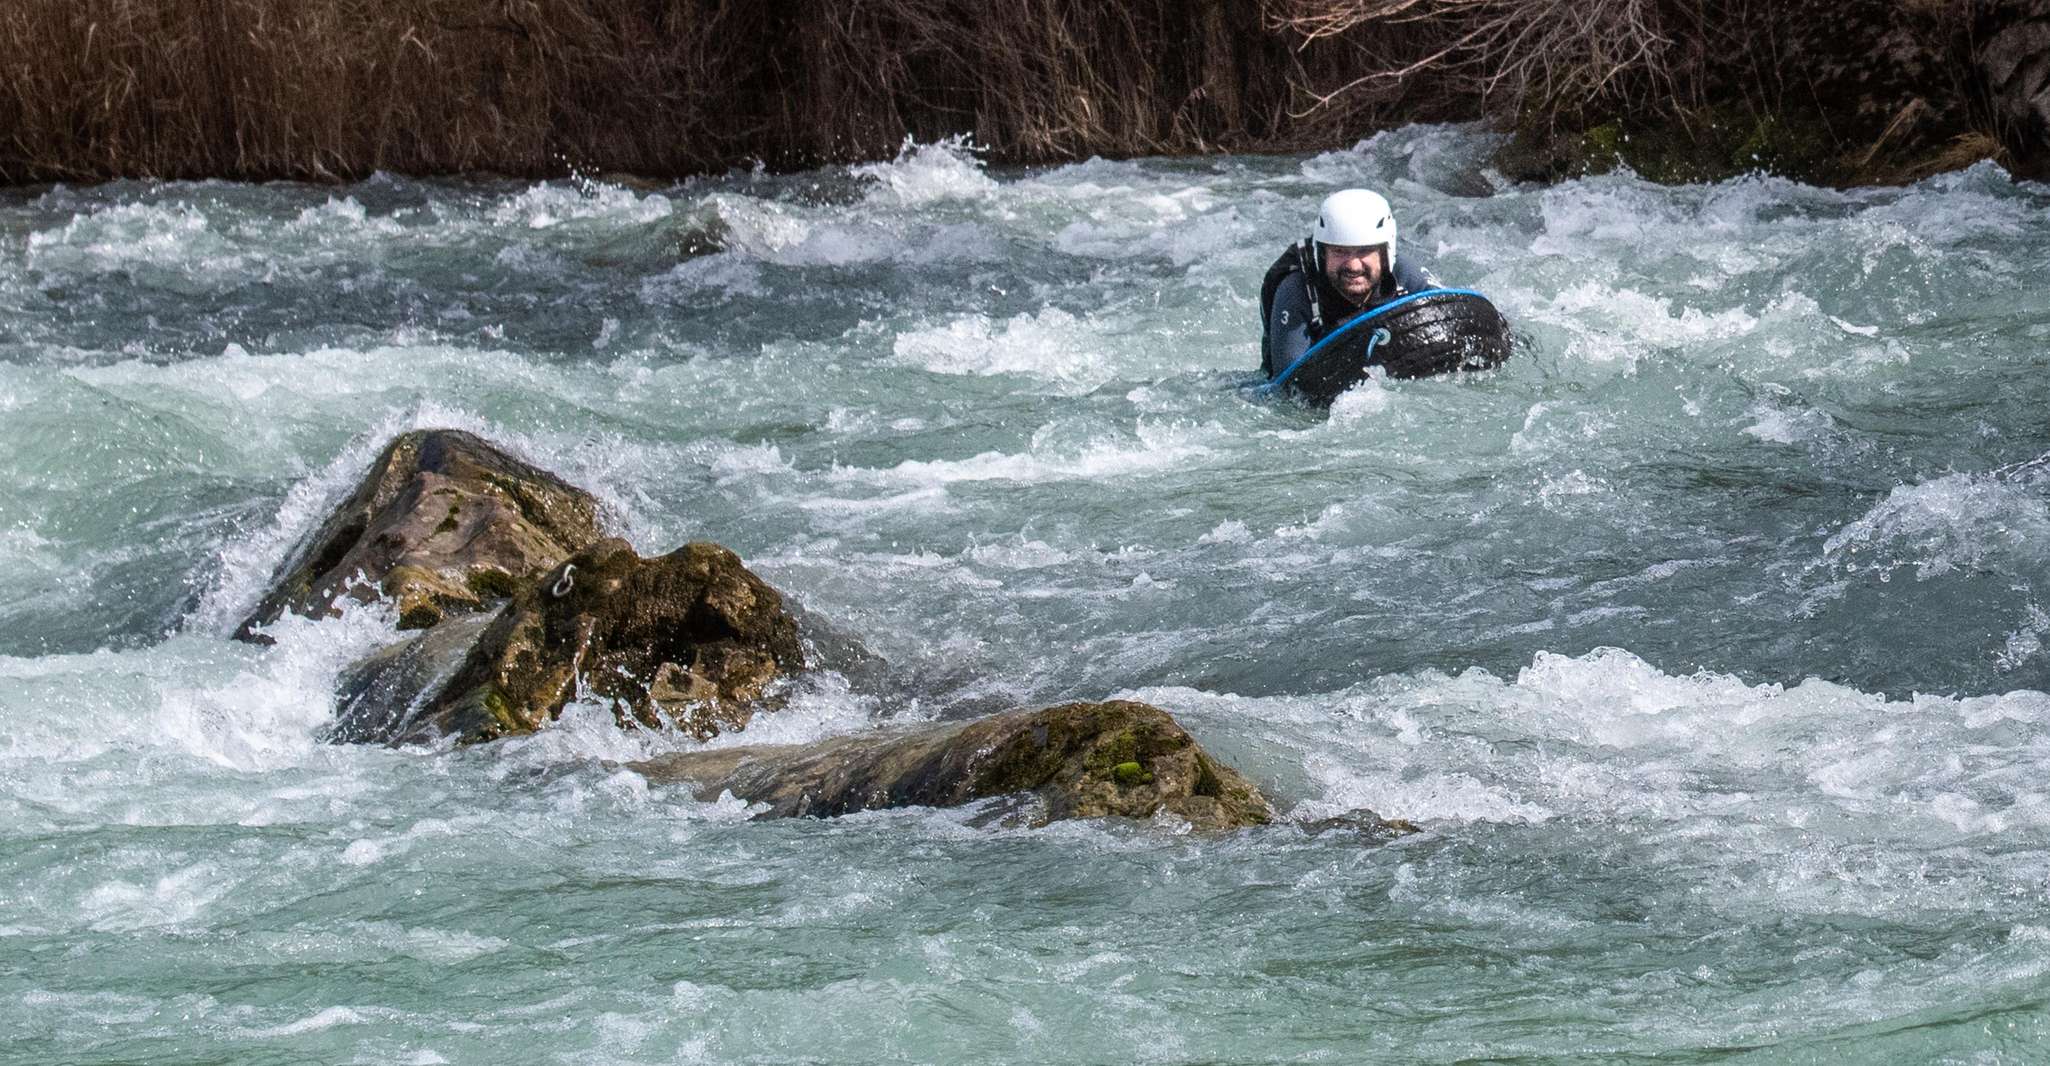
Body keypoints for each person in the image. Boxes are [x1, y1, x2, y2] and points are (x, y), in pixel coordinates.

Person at [1260, 188, 1439, 379]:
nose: (1353, 266)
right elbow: (1289, 391)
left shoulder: (1404, 275)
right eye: (1339, 252)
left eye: (1365, 251)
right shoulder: (1297, 291)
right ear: (1322, 254)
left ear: (1385, 254)